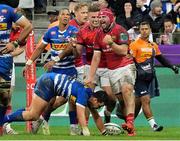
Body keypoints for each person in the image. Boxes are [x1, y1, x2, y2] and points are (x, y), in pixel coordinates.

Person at [1, 72, 109, 136]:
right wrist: (85, 130)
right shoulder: (84, 94)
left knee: (31, 110)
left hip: (50, 82)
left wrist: (104, 132)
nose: (99, 108)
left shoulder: (89, 96)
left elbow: (96, 117)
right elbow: (80, 114)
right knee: (33, 115)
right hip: (48, 83)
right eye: (100, 105)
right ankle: (4, 120)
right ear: (95, 100)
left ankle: (4, 120)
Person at [85, 8, 136, 136]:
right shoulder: (98, 34)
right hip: (112, 70)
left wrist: (111, 43)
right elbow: (96, 57)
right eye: (99, 17)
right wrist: (90, 77)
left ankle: (130, 123)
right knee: (122, 100)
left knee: (127, 90)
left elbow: (124, 51)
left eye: (104, 17)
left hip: (125, 66)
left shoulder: (121, 30)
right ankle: (129, 123)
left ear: (111, 18)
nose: (101, 19)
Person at [129, 21, 179, 132]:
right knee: (146, 99)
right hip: (138, 78)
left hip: (150, 78)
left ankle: (129, 123)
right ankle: (154, 125)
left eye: (146, 29)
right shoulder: (134, 44)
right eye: (142, 29)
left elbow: (161, 59)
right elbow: (129, 60)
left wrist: (172, 67)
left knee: (138, 102)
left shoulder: (153, 45)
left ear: (150, 30)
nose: (144, 31)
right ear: (139, 31)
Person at [75, 3, 116, 124]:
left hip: (106, 66)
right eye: (92, 17)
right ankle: (85, 124)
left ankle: (108, 113)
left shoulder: (106, 31)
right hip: (89, 66)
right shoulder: (82, 32)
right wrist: (74, 46)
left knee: (111, 97)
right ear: (88, 18)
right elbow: (77, 53)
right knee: (86, 95)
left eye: (98, 17)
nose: (95, 20)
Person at [0, 1, 33, 136]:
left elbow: (28, 26)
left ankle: (1, 126)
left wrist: (15, 43)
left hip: (4, 58)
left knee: (5, 96)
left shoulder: (6, 10)